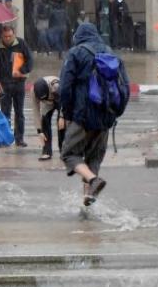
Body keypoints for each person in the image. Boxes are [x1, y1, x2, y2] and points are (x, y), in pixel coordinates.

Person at [60, 23, 114, 207]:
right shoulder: (109, 51)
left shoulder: (76, 53)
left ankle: (93, 181)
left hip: (83, 114)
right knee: (94, 157)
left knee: (68, 154)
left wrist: (67, 114)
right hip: (106, 115)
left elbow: (65, 87)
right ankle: (88, 198)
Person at [0, 25, 34, 148]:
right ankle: (5, 138)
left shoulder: (21, 43)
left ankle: (19, 138)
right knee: (5, 113)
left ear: (14, 34)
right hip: (4, 84)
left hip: (19, 83)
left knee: (19, 112)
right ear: (1, 36)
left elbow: (30, 60)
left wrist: (22, 70)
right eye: (5, 37)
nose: (8, 39)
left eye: (10, 36)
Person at [33, 76, 65, 161]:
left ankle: (64, 151)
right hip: (48, 105)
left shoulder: (56, 86)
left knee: (62, 124)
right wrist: (39, 131)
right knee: (44, 122)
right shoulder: (34, 91)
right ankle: (47, 151)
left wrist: (62, 116)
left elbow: (64, 103)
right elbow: (36, 111)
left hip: (60, 100)